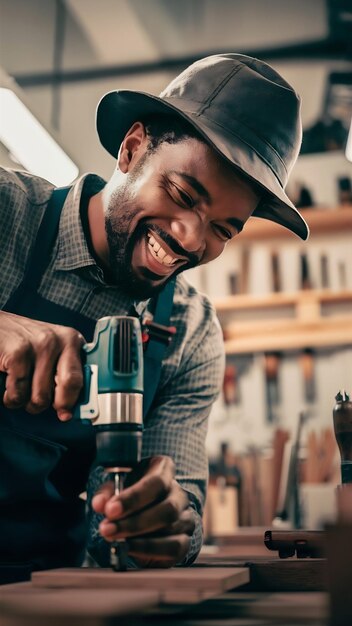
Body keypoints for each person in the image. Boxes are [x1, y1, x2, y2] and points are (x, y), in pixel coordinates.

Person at [0, 53, 308, 582]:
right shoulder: (6, 213)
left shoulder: (190, 337)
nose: (191, 238)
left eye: (222, 230)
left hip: (37, 590)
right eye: (183, 194)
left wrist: (162, 526)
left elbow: (171, 509)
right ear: (132, 148)